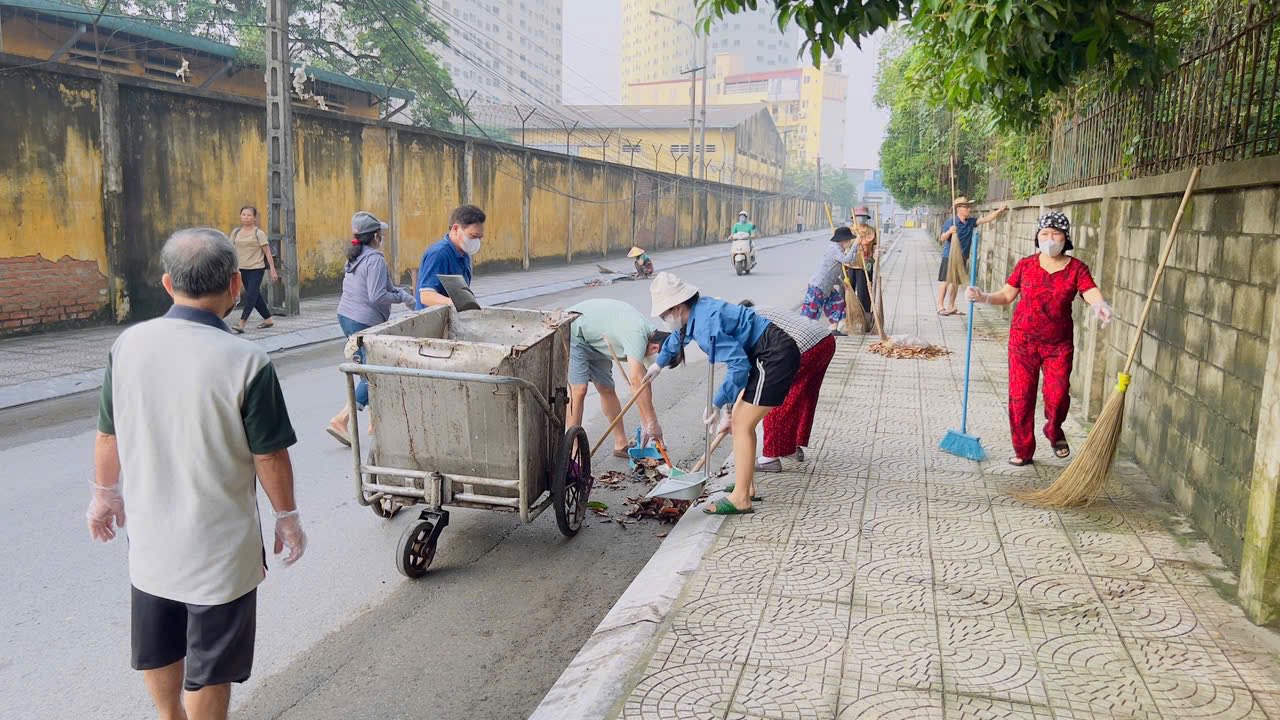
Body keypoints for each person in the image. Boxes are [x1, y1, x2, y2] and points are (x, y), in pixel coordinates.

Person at [86, 227, 305, 720]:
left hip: (148, 538)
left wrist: (103, 496)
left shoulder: (128, 346)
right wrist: (287, 517)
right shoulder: (247, 360)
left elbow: (108, 436)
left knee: (159, 643)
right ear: (234, 285)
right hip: (220, 551)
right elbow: (270, 456)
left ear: (168, 285)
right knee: (211, 666)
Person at [645, 272, 803, 515]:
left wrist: (717, 402)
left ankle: (741, 498)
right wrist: (659, 364)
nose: (665, 320)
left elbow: (738, 365)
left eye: (664, 314)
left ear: (676, 307)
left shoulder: (707, 323)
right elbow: (679, 337)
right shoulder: (697, 312)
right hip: (765, 354)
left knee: (741, 423)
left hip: (774, 356)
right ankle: (745, 485)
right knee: (741, 420)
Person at [965, 211, 1113, 466]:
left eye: (1056, 234)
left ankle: (1053, 430)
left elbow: (1090, 291)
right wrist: (983, 297)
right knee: (1020, 397)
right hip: (1022, 342)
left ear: (1065, 238)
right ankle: (1023, 450)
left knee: (1057, 395)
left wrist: (1100, 305)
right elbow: (1006, 295)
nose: (1049, 238)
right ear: (1037, 236)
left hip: (1058, 344)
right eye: (1044, 233)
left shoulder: (1077, 268)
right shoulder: (1026, 265)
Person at [327, 211, 415, 446]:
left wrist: (400, 292)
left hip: (347, 316)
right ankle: (342, 419)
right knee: (375, 371)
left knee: (370, 368)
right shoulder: (375, 258)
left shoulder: (356, 256)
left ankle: (376, 423)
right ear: (376, 236)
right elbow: (377, 295)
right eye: (381, 234)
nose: (382, 237)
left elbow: (379, 287)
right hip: (363, 320)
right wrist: (404, 298)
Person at [737, 300, 835, 473]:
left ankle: (770, 458)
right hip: (826, 340)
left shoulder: (747, 320)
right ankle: (791, 447)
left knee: (773, 394)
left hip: (806, 348)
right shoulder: (765, 308)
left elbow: (758, 367)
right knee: (803, 394)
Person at [565, 298, 668, 457]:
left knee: (606, 388)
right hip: (573, 329)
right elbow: (635, 380)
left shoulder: (651, 339)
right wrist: (652, 422)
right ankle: (572, 453)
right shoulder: (637, 334)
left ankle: (621, 443)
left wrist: (647, 423)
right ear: (656, 348)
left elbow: (643, 384)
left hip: (597, 339)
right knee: (579, 390)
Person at [937, 196, 1008, 316]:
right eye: (966, 207)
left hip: (962, 257)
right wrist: (950, 231)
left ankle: (951, 306)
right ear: (958, 209)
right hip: (949, 256)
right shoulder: (951, 222)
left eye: (969, 207)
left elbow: (986, 219)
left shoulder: (970, 222)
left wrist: (999, 211)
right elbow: (942, 238)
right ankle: (940, 306)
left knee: (956, 283)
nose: (969, 209)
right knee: (945, 281)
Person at [417, 204, 485, 309]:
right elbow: (426, 296)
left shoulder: (464, 254)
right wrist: (460, 305)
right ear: (456, 229)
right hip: (431, 320)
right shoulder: (439, 254)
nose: (476, 241)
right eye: (473, 236)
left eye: (479, 237)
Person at [800, 226, 860, 334]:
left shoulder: (839, 249)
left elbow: (831, 272)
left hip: (828, 287)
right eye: (850, 241)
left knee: (838, 304)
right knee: (811, 312)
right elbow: (847, 260)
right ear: (844, 241)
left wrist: (841, 283)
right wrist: (856, 245)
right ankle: (803, 333)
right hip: (818, 286)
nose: (851, 243)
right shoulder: (834, 249)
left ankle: (833, 329)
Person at [229, 205, 278, 334]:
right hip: (241, 269)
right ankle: (268, 319)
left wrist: (273, 269)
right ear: (240, 216)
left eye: (249, 215)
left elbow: (267, 253)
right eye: (243, 214)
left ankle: (242, 323)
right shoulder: (236, 232)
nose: (246, 217)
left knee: (250, 295)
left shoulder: (258, 233)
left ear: (254, 218)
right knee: (255, 295)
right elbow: (230, 250)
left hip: (256, 269)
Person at [843, 223, 878, 332]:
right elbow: (844, 245)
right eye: (857, 216)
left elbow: (875, 247)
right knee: (847, 293)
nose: (860, 219)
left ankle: (866, 321)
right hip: (850, 265)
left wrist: (876, 254)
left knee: (864, 293)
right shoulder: (850, 229)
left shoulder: (871, 230)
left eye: (862, 216)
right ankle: (848, 319)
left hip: (864, 266)